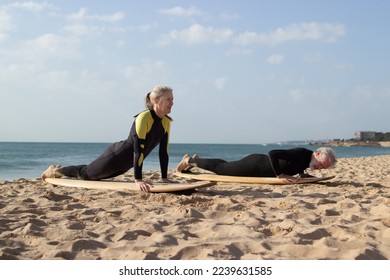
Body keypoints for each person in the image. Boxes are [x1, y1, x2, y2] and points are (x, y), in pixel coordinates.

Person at [41, 85, 174, 192]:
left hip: (125, 165)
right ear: (155, 100)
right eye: (168, 99)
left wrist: (164, 177)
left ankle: (60, 169)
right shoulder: (144, 118)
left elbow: (164, 152)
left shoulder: (166, 122)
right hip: (115, 156)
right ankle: (55, 170)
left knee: (92, 173)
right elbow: (138, 150)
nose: (172, 102)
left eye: (172, 99)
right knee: (86, 174)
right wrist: (138, 179)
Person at [176, 147, 337, 183]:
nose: (319, 168)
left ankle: (198, 159)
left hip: (257, 169)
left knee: (226, 165)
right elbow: (273, 154)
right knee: (222, 169)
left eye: (323, 168)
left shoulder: (306, 160)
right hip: (254, 165)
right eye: (321, 164)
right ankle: (189, 161)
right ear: (317, 154)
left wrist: (302, 174)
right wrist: (279, 175)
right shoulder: (301, 153)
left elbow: (298, 165)